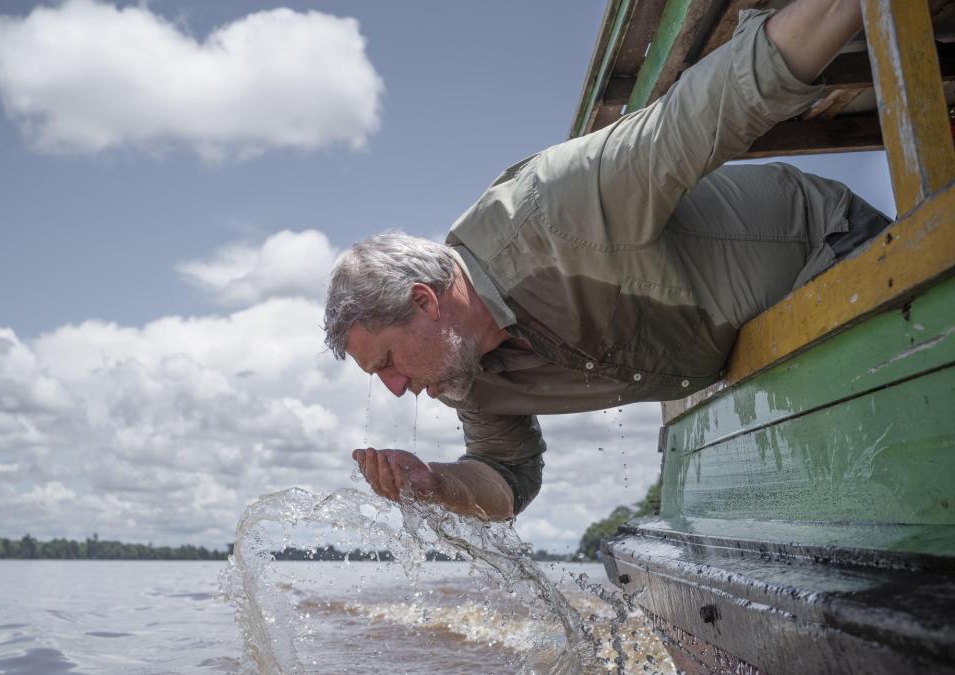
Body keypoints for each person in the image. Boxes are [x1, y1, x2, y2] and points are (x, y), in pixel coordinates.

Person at [323, 0, 889, 521]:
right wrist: (434, 483)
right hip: (744, 348)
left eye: (388, 362)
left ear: (424, 301)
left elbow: (702, 112)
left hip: (830, 251)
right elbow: (509, 478)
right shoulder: (464, 378)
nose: (396, 388)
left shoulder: (551, 208)